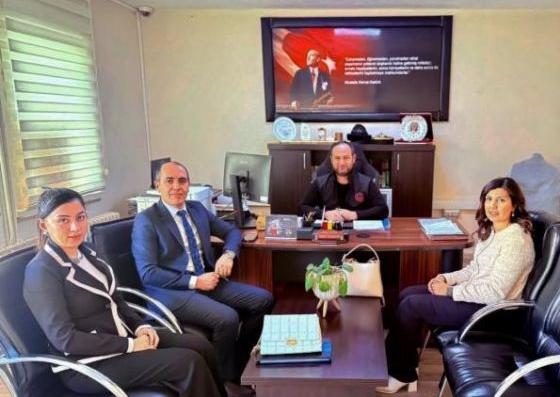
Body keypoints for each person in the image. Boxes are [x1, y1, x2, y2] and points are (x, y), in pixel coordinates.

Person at [23, 188, 225, 397]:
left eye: (80, 217)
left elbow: (116, 299)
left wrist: (140, 326)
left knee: (200, 345)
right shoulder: (41, 271)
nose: (75, 227)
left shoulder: (88, 252)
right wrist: (130, 345)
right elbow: (65, 339)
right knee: (188, 362)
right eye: (63, 220)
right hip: (88, 363)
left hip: (120, 336)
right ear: (43, 225)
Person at [376, 177, 535, 394]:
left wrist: (450, 291)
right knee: (407, 294)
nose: (493, 205)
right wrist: (446, 278)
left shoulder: (516, 240)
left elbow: (496, 292)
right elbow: (474, 269)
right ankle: (402, 365)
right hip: (476, 299)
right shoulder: (493, 231)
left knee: (412, 306)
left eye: (501, 200)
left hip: (492, 313)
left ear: (514, 205)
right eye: (489, 199)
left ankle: (402, 374)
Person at [131, 161, 274, 397]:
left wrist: (228, 254)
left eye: (182, 181)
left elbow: (232, 231)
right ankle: (222, 381)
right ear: (157, 185)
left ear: (189, 184)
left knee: (263, 299)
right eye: (169, 181)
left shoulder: (196, 209)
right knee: (227, 318)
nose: (176, 187)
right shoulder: (147, 220)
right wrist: (195, 282)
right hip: (170, 292)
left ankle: (240, 361)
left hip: (207, 280)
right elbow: (148, 273)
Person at [299, 141, 389, 221]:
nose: (342, 163)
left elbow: (383, 210)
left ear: (353, 158)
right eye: (337, 158)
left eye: (346, 158)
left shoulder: (367, 183)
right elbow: (301, 208)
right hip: (329, 231)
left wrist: (355, 215)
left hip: (358, 232)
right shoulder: (320, 183)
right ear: (331, 160)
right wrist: (324, 214)